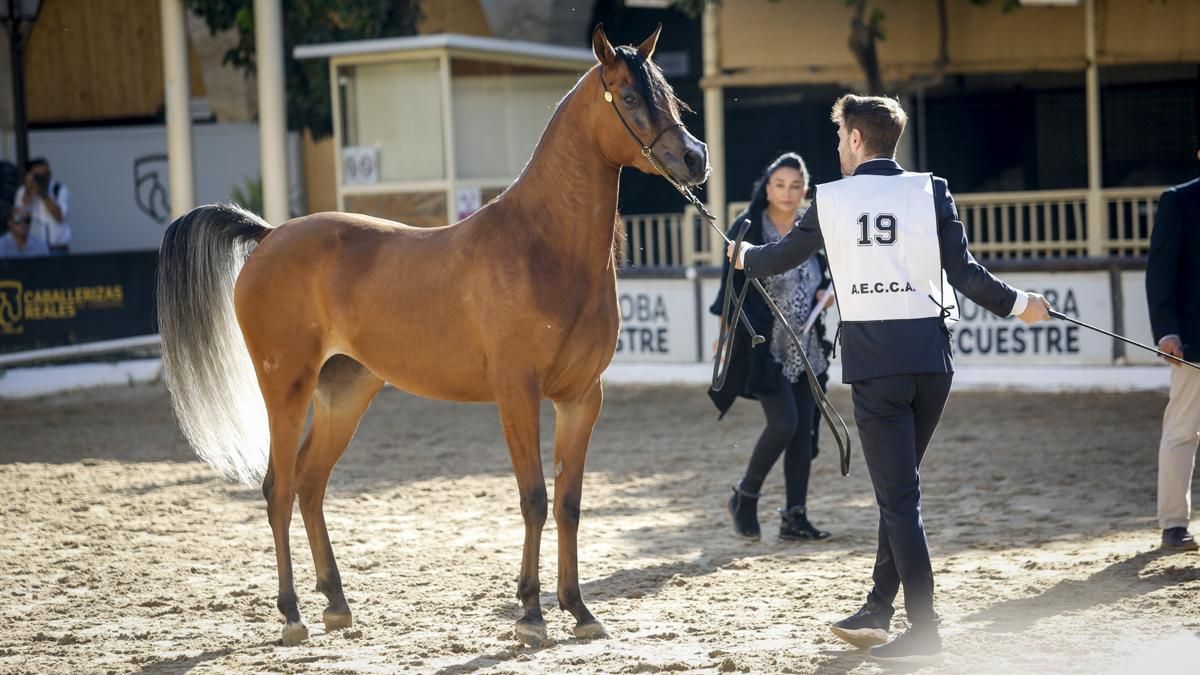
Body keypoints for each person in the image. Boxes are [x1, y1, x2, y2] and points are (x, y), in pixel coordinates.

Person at [728, 94, 1051, 664]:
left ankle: (923, 630)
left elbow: (779, 257)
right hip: (932, 362)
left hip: (877, 368)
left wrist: (743, 257)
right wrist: (1022, 302)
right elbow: (967, 274)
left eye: (839, 139)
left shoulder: (828, 198)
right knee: (898, 492)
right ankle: (878, 607)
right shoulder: (932, 189)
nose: (838, 148)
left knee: (899, 498)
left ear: (855, 139)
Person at [710, 152, 836, 543]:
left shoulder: (812, 227)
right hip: (764, 346)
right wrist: (726, 336)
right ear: (767, 187)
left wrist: (826, 291)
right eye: (780, 184)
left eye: (796, 186)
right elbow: (729, 289)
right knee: (784, 424)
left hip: (807, 344)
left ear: (805, 190)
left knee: (803, 434)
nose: (787, 192)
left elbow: (827, 273)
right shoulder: (747, 228)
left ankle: (794, 518)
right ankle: (744, 497)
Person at [1146, 148, 1200, 553]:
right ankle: (1174, 524)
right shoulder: (1178, 200)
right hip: (1194, 341)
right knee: (1182, 431)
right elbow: (1160, 274)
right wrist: (1167, 331)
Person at [15, 157, 71, 254]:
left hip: (57, 247)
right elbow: (18, 218)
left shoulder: (59, 190)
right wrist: (29, 192)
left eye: (45, 174)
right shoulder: (22, 192)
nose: (41, 178)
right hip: (33, 248)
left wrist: (43, 194)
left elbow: (60, 217)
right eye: (38, 176)